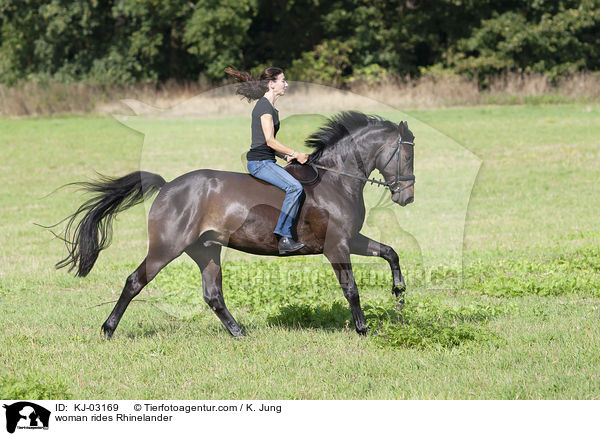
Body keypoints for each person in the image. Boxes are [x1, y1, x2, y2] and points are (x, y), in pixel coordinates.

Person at [225, 66, 310, 254]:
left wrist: (286, 156)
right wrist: (296, 153)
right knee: (295, 188)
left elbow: (265, 142)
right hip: (260, 163)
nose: (286, 84)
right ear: (271, 84)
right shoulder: (264, 107)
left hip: (267, 160)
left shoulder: (272, 108)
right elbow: (270, 141)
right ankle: (284, 236)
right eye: (283, 80)